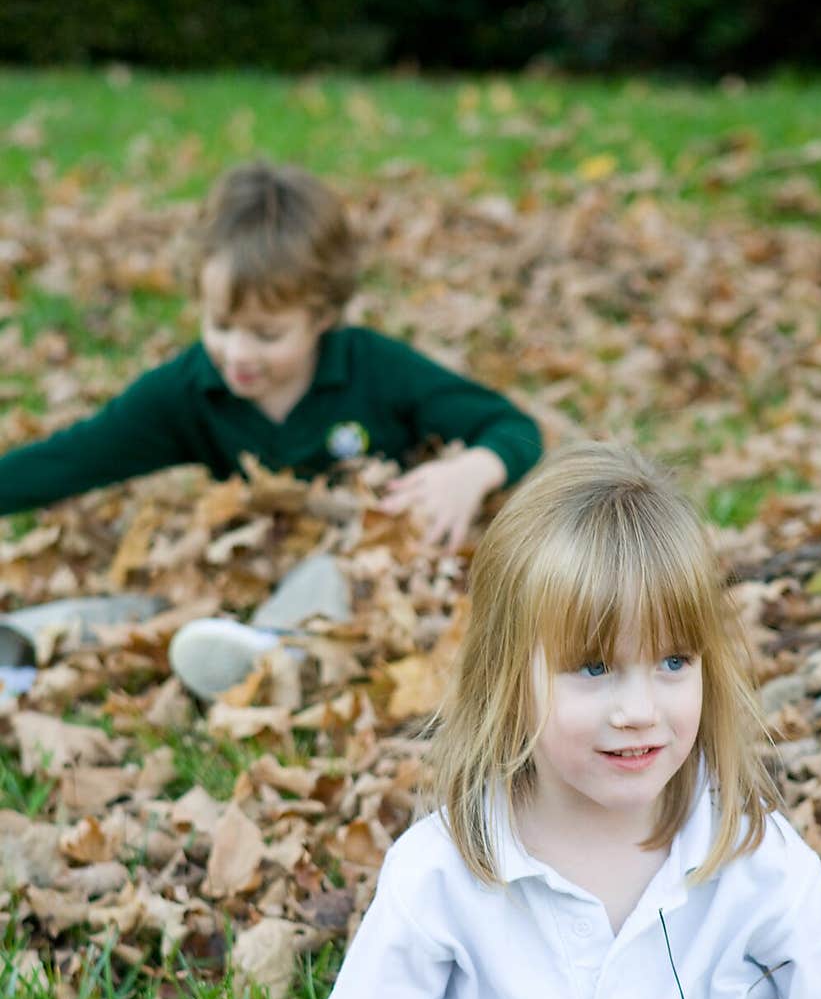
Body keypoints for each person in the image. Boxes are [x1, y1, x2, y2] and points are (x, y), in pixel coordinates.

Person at [198, 441, 821, 999]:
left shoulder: (750, 853)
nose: (639, 710)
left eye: (673, 662)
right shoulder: (447, 867)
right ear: (506, 677)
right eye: (592, 668)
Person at [0, 160, 541, 698]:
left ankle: (266, 655)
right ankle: (25, 637)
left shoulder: (376, 369)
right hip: (244, 569)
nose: (237, 354)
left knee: (332, 572)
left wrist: (474, 469)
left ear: (323, 314)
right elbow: (73, 457)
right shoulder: (187, 389)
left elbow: (512, 426)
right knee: (172, 596)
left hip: (353, 565)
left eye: (267, 334)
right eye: (221, 325)